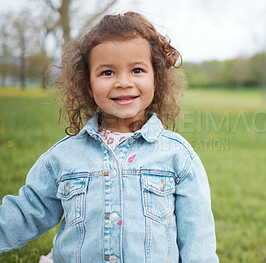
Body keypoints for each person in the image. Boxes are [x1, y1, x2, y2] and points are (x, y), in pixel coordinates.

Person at [0, 11, 219, 262]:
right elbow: (26, 212)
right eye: (107, 73)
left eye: (137, 70)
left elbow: (198, 242)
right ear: (88, 84)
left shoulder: (178, 157)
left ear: (156, 79)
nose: (123, 82)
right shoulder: (62, 158)